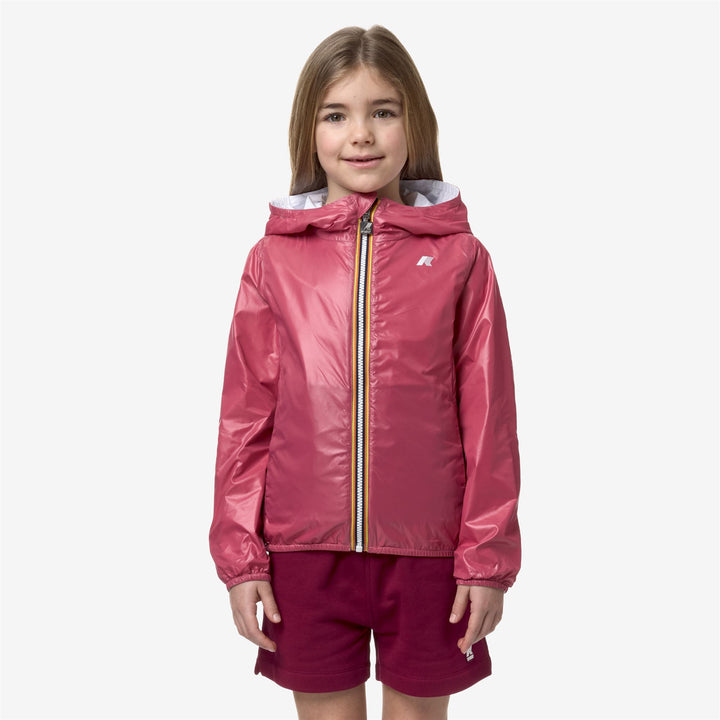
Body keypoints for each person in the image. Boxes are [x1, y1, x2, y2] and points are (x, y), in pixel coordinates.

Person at [209, 24, 521, 720]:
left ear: (414, 122)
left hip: (431, 556)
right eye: (336, 115)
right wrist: (241, 555)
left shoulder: (463, 259)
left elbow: (490, 421)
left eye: (383, 111)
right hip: (303, 555)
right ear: (309, 130)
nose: (361, 135)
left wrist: (486, 558)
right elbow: (245, 419)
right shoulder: (272, 260)